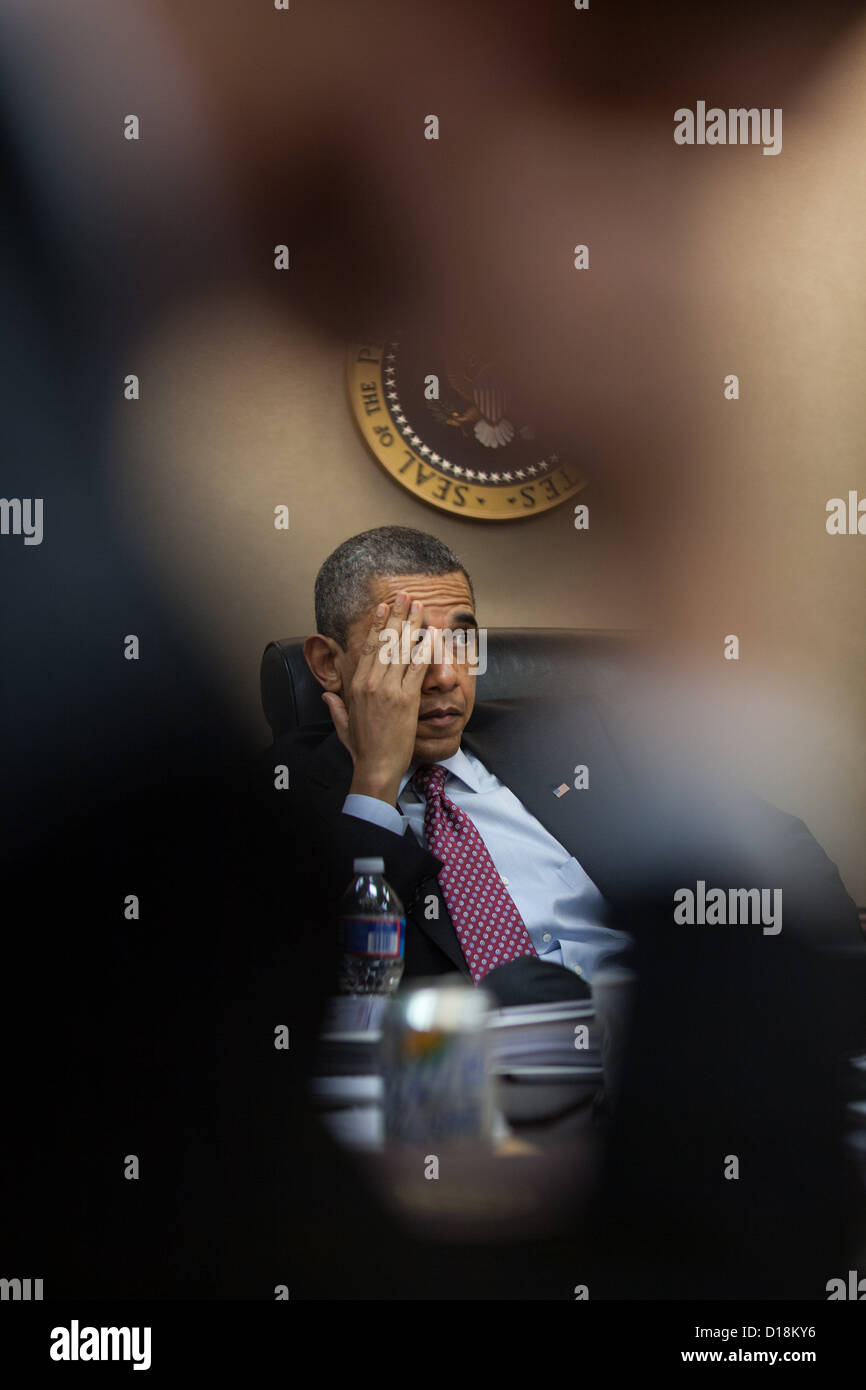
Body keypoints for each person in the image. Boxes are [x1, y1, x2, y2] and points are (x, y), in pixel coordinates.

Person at [266, 525, 863, 1006]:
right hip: (473, 1088)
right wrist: (376, 783)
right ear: (327, 663)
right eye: (409, 647)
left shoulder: (576, 740)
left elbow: (774, 842)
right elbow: (322, 988)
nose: (446, 676)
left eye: (463, 642)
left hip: (665, 1060)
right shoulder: (284, 794)